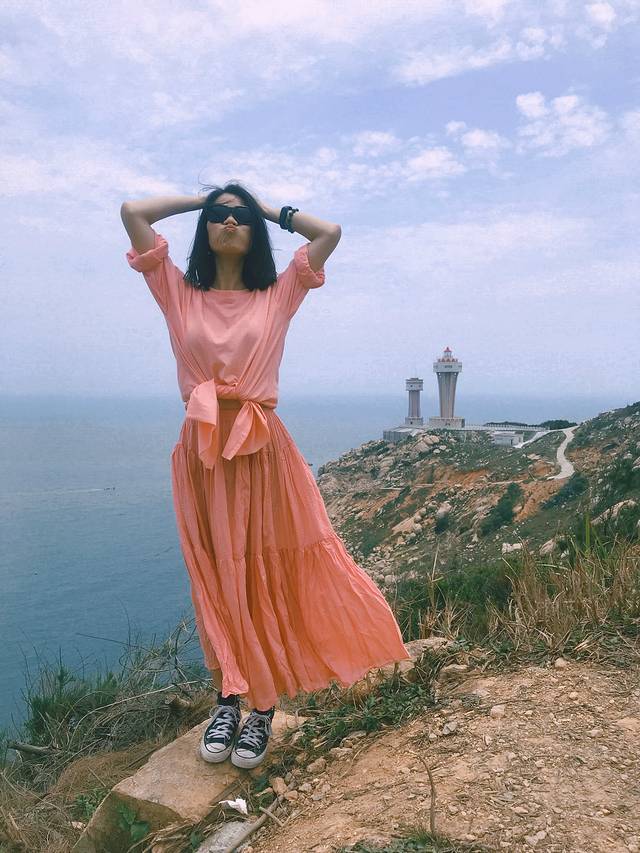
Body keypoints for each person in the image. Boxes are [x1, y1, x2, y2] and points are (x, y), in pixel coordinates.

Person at [120, 182, 412, 769]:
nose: (229, 222)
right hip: (204, 453)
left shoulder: (277, 294)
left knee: (260, 573)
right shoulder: (177, 292)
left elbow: (328, 232)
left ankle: (262, 708)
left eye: (240, 217)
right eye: (219, 215)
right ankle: (228, 699)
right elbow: (133, 212)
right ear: (205, 226)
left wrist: (266, 208)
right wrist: (202, 200)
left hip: (259, 451)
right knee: (217, 576)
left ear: (255, 230)